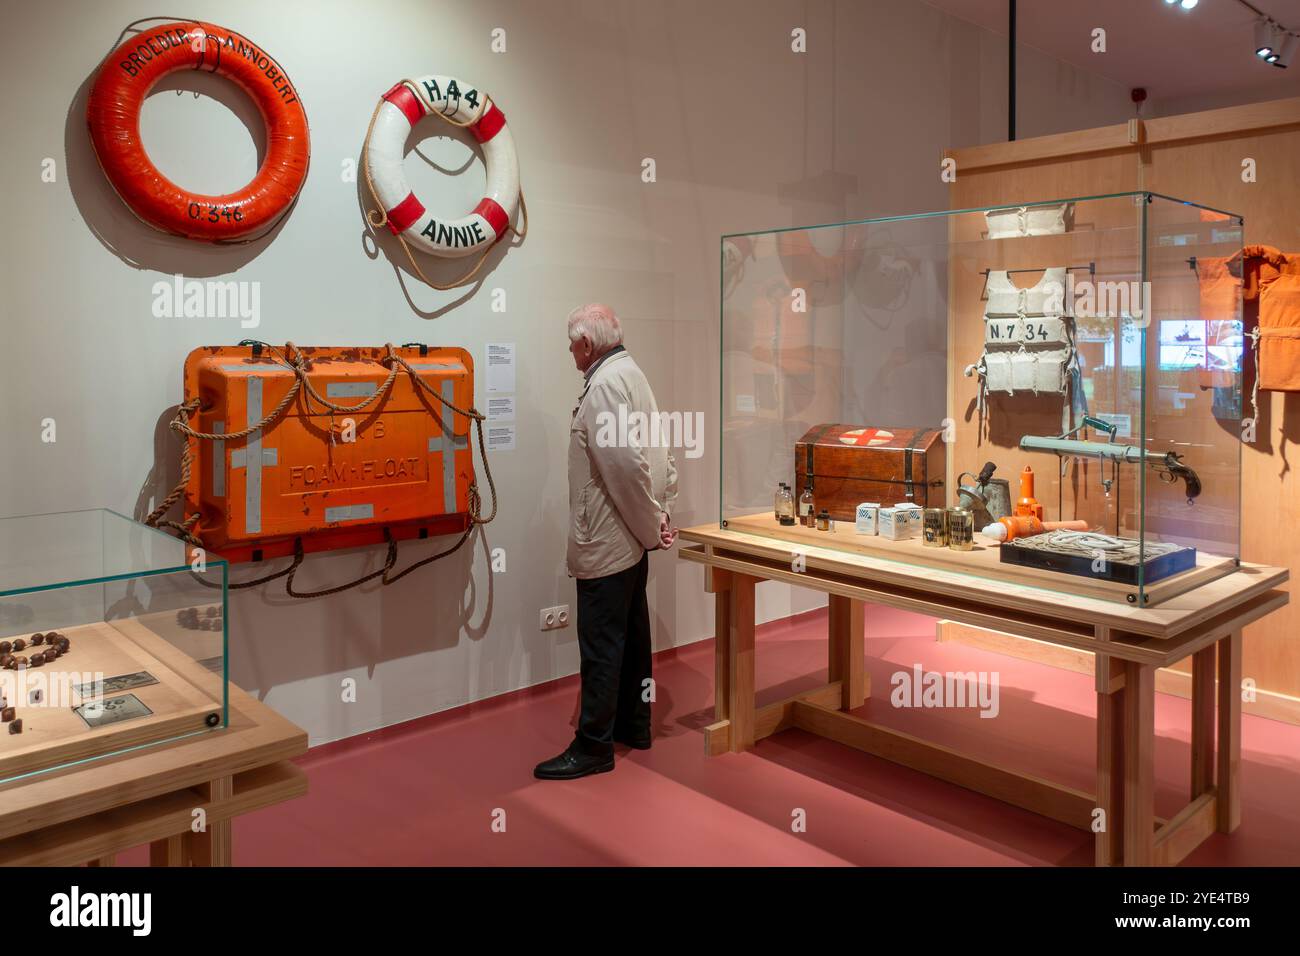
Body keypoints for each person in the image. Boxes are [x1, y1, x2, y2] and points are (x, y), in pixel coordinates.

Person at [533, 304, 678, 780]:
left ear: (587, 344)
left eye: (571, 343)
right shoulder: (631, 374)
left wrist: (648, 526)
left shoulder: (603, 386)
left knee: (601, 644)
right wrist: (659, 517)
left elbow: (625, 470)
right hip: (631, 540)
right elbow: (658, 455)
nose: (568, 352)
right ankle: (634, 725)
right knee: (633, 638)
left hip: (610, 540)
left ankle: (594, 744)